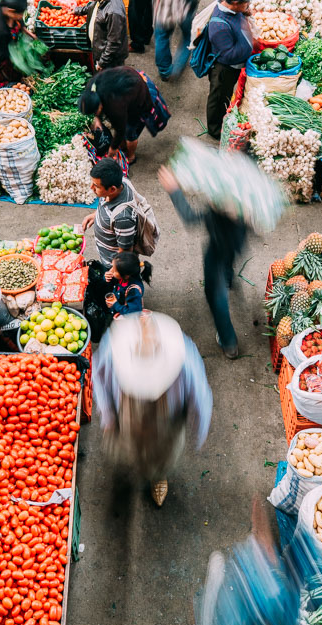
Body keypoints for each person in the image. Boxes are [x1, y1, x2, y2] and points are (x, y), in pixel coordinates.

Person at [92, 310, 212, 505]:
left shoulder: (184, 358)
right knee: (130, 447)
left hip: (166, 420)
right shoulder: (113, 348)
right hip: (128, 411)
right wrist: (107, 415)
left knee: (162, 454)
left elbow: (199, 394)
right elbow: (99, 375)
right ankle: (138, 466)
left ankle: (158, 476)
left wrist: (200, 426)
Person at [159, 165, 247, 359]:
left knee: (216, 295)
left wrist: (174, 191)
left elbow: (191, 218)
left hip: (218, 249)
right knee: (228, 265)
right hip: (234, 245)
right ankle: (229, 279)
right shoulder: (244, 201)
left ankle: (229, 342)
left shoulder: (219, 212)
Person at [205, 0, 257, 140]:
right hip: (224, 69)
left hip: (233, 66)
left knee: (226, 95)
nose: (248, 3)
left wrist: (244, 13)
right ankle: (215, 131)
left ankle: (223, 118)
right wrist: (249, 42)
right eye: (246, 2)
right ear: (234, 2)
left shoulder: (232, 9)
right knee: (219, 96)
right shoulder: (219, 26)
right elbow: (228, 54)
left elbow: (238, 15)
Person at [79, 67, 152, 163]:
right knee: (121, 133)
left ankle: (131, 157)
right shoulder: (91, 88)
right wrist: (97, 118)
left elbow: (120, 130)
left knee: (130, 132)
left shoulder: (115, 106)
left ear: (100, 106)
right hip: (124, 76)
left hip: (137, 92)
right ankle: (122, 147)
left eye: (95, 112)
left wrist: (112, 149)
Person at [81, 158, 139, 270]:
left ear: (112, 189)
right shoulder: (121, 183)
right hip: (106, 255)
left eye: (96, 186)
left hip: (113, 264)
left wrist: (114, 271)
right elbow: (106, 203)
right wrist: (96, 215)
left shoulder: (123, 218)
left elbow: (125, 253)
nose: (91, 188)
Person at [74, 0, 128, 72]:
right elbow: (94, 6)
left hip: (110, 61)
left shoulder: (114, 12)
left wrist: (102, 62)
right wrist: (78, 10)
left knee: (108, 82)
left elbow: (114, 43)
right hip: (99, 51)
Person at [104, 251, 152, 317]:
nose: (111, 271)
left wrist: (115, 304)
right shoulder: (122, 276)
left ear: (126, 275)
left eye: (115, 270)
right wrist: (106, 277)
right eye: (112, 267)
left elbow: (132, 313)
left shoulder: (134, 291)